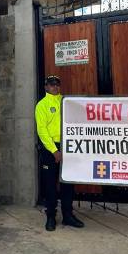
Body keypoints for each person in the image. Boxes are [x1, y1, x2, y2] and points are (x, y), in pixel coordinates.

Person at [35, 74, 85, 231]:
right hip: (51, 150)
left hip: (68, 146)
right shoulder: (41, 105)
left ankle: (68, 216)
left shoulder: (66, 102)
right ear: (46, 87)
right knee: (50, 185)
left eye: (57, 84)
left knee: (68, 184)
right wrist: (54, 150)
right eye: (51, 84)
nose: (54, 87)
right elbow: (42, 131)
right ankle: (50, 216)